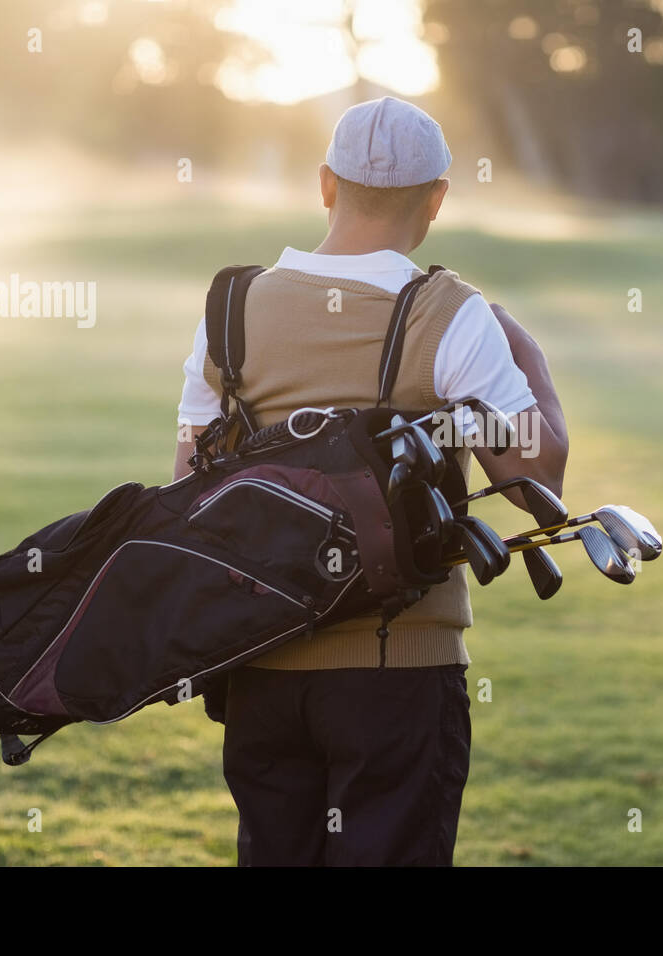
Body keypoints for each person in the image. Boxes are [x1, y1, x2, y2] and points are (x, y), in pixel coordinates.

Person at [171, 96, 568, 866]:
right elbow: (534, 482)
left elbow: (188, 488)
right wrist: (531, 360)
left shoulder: (230, 311)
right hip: (398, 673)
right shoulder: (450, 314)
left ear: (326, 184)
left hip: (258, 668)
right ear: (438, 197)